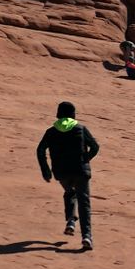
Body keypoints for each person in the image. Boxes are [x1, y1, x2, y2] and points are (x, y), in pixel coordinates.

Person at [36, 101, 100, 251]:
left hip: (61, 172)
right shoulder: (81, 128)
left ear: (58, 114)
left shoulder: (51, 131)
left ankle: (71, 221)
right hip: (80, 170)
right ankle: (86, 236)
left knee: (70, 192)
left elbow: (40, 150)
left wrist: (45, 169)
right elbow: (95, 147)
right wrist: (86, 158)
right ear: (73, 114)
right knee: (84, 201)